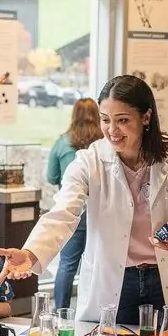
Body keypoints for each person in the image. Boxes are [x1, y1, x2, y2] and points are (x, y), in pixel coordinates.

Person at [0, 74, 168, 327]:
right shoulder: (90, 161)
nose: (112, 130)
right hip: (117, 280)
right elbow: (63, 212)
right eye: (105, 120)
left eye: (122, 121)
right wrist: (31, 253)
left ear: (146, 117)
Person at [46, 98, 102, 310]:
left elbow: (51, 176)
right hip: (101, 211)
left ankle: (61, 312)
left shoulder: (63, 142)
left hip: (73, 210)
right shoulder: (104, 142)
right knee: (99, 263)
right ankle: (96, 311)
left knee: (67, 264)